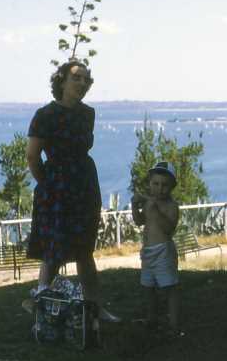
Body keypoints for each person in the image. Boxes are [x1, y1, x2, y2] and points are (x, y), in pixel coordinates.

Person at [25, 59, 119, 322]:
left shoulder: (88, 114)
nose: (82, 82)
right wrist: (48, 184)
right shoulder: (44, 115)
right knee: (53, 251)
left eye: (86, 79)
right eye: (76, 77)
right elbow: (32, 156)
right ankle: (42, 308)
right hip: (57, 189)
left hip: (84, 186)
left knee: (84, 250)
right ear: (62, 81)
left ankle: (94, 308)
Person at [131, 161, 182, 336]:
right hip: (148, 253)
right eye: (155, 184)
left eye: (164, 185)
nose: (159, 189)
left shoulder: (171, 206)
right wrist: (135, 206)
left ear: (172, 187)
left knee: (170, 289)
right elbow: (139, 221)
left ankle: (173, 324)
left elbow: (168, 228)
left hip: (164, 252)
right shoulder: (149, 203)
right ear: (150, 183)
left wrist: (155, 211)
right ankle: (151, 318)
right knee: (148, 287)